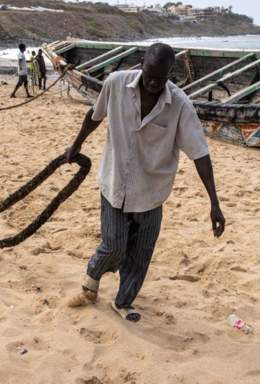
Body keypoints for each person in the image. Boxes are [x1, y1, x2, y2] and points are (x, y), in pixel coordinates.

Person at [65, 43, 225, 322]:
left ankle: (123, 302)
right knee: (113, 245)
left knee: (139, 255)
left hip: (152, 192)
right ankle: (91, 284)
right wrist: (76, 144)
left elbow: (200, 153)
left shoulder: (180, 105)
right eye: (149, 74)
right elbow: (94, 116)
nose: (153, 83)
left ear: (169, 74)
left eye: (160, 78)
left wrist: (214, 202)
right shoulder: (116, 84)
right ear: (142, 64)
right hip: (114, 183)